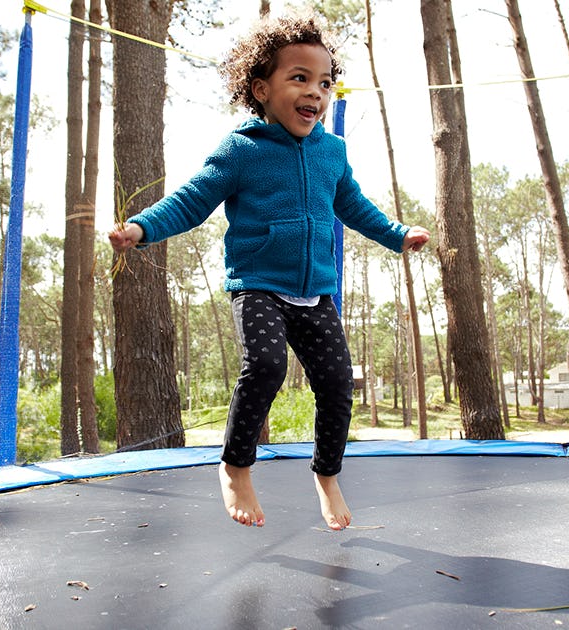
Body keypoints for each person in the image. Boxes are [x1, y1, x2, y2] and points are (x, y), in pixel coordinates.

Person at [109, 14, 429, 531]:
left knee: (336, 384)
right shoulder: (242, 150)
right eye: (299, 78)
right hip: (258, 284)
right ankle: (236, 464)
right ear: (261, 88)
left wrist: (397, 233)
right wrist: (142, 228)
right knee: (265, 364)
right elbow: (192, 200)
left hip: (316, 290)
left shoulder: (332, 152)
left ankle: (327, 475)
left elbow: (354, 204)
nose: (315, 93)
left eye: (324, 83)